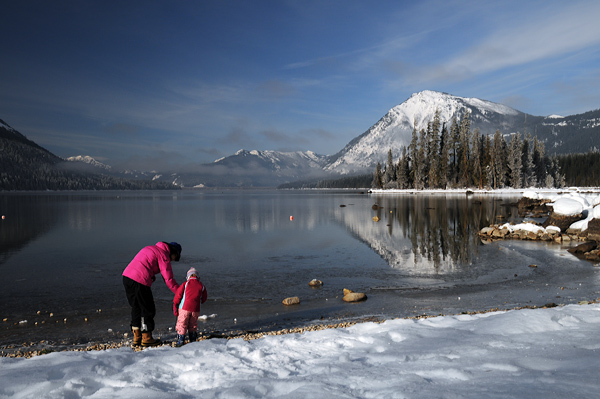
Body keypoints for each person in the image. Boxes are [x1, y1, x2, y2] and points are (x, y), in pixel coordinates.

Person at [122, 241, 182, 347]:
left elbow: (144, 265)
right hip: (140, 280)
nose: (172, 260)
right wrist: (180, 293)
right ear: (173, 252)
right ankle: (147, 338)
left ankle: (137, 337)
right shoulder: (163, 255)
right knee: (147, 308)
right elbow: (169, 279)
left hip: (127, 277)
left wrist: (151, 276)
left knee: (136, 307)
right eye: (174, 257)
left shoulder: (151, 248)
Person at [173, 267, 207, 347]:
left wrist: (175, 305)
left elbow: (178, 295)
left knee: (182, 323)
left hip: (184, 308)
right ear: (197, 277)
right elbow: (204, 297)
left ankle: (181, 340)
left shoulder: (185, 284)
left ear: (188, 276)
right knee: (193, 324)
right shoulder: (201, 285)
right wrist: (201, 301)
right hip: (195, 309)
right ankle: (193, 340)